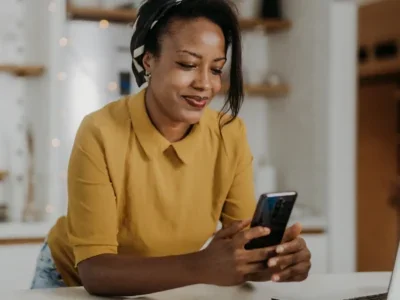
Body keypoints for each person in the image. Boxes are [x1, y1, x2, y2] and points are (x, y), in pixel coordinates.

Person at [30, 0, 311, 296]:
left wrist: (277, 260)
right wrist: (202, 266)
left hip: (167, 279)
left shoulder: (230, 134)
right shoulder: (100, 131)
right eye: (188, 64)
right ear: (148, 60)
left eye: (216, 69)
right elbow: (96, 272)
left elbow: (239, 252)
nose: (205, 84)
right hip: (71, 281)